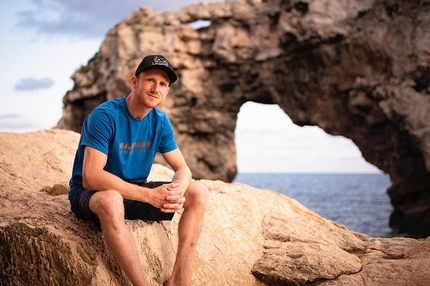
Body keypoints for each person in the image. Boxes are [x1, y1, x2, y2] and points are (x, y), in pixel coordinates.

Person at [68, 54, 209, 286]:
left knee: (198, 192)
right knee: (112, 199)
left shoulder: (160, 121)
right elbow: (91, 176)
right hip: (91, 194)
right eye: (150, 80)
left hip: (133, 192)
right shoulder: (105, 116)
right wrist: (149, 196)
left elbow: (182, 168)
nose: (156, 88)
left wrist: (177, 192)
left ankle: (179, 278)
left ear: (167, 91)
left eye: (163, 84)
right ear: (135, 82)